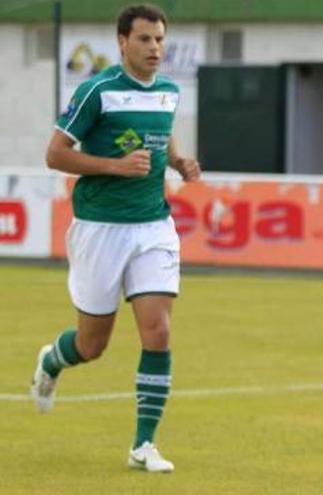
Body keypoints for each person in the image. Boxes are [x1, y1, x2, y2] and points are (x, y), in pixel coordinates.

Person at [30, 3, 200, 473]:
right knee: (92, 344)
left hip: (153, 226)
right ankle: (52, 360)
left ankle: (143, 444)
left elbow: (162, 143)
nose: (154, 48)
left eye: (160, 39)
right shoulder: (96, 91)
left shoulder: (168, 92)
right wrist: (112, 166)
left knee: (158, 330)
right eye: (145, 39)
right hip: (99, 228)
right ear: (122, 42)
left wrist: (179, 163)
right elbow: (55, 155)